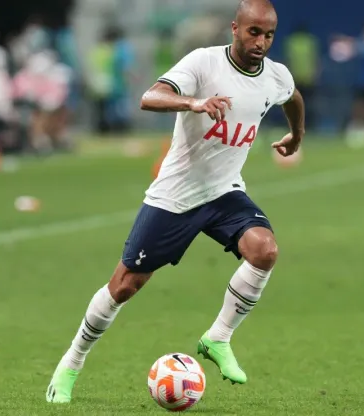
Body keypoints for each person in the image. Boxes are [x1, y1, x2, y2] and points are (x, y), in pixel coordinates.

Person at [45, 0, 305, 404]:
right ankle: (71, 362)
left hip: (224, 191)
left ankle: (218, 338)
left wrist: (297, 135)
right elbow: (150, 96)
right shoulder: (203, 64)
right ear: (234, 29)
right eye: (254, 32)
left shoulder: (275, 75)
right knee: (125, 285)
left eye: (269, 34)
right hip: (175, 196)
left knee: (264, 249)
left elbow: (293, 98)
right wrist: (195, 102)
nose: (261, 42)